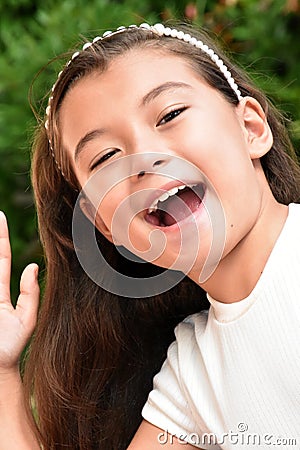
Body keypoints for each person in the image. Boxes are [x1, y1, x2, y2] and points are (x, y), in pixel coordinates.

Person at [0, 22, 299, 450]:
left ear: (251, 128)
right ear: (106, 225)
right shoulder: (194, 377)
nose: (144, 158)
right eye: (105, 157)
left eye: (170, 115)